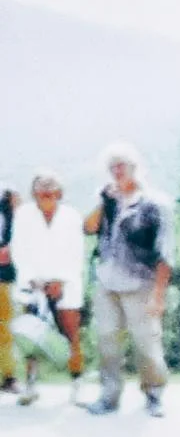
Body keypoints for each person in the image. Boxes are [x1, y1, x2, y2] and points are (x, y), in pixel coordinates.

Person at [79, 148, 162, 418]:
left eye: (122, 165)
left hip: (139, 282)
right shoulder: (109, 201)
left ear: (135, 167)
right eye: (113, 167)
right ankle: (108, 396)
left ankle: (154, 393)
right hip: (107, 280)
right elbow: (88, 227)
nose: (117, 171)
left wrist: (158, 294)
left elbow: (165, 253)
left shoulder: (151, 202)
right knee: (106, 340)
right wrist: (104, 201)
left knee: (145, 341)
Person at [2, 175, 69, 399]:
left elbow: (23, 232)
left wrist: (12, 250)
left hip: (7, 277)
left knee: (10, 330)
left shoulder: (8, 195)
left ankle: (10, 378)